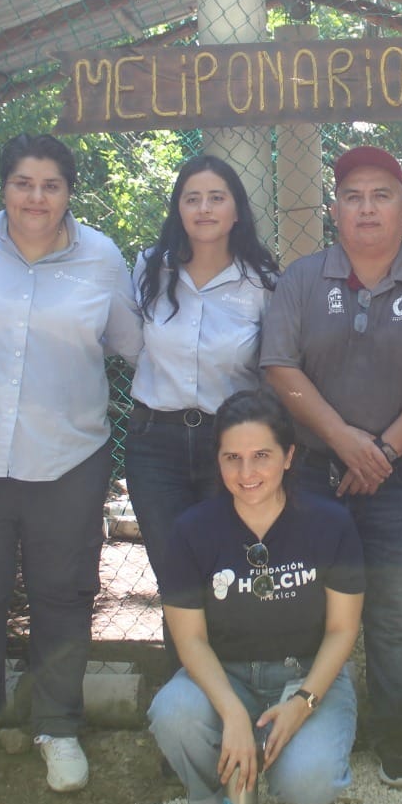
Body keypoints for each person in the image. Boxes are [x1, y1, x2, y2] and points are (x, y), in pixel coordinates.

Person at [0, 134, 142, 793]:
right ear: (3, 187)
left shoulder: (101, 258)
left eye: (50, 185)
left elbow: (134, 346)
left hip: (69, 458)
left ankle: (58, 726)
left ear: (70, 191)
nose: (36, 197)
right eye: (23, 183)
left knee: (64, 594)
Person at [260, 144, 402, 786]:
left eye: (382, 195)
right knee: (306, 602)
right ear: (335, 210)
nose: (367, 207)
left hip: (400, 475)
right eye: (353, 196)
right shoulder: (302, 278)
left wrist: (380, 452)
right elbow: (278, 366)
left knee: (392, 610)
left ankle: (393, 730)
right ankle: (313, 721)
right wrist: (345, 439)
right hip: (313, 468)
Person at [147, 389, 364, 804]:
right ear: (218, 461)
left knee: (308, 777)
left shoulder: (329, 523)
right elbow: (190, 639)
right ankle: (224, 802)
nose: (247, 473)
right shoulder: (192, 530)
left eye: (261, 455)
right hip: (226, 676)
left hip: (303, 675)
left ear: (288, 456)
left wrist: (303, 703)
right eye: (232, 458)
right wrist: (232, 714)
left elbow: (343, 630)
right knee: (174, 712)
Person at [126, 155, 278, 580]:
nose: (204, 208)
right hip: (155, 444)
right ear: (178, 208)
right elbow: (131, 342)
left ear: (236, 211)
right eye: (192, 198)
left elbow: (274, 370)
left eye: (216, 198)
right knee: (177, 582)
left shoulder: (263, 281)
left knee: (230, 576)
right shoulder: (150, 267)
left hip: (232, 448)